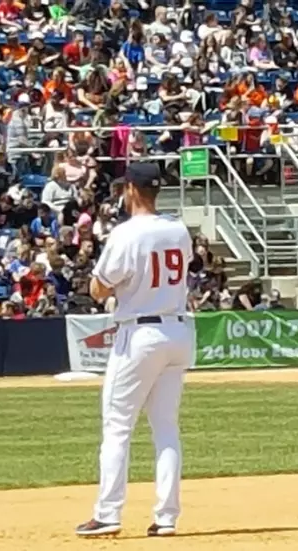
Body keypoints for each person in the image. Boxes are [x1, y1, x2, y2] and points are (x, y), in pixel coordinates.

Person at [76, 163, 193, 538]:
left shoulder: (126, 233)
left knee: (117, 427)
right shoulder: (178, 229)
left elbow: (99, 289)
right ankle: (167, 517)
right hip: (178, 329)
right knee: (166, 428)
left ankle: (108, 513)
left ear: (130, 190)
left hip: (140, 333)